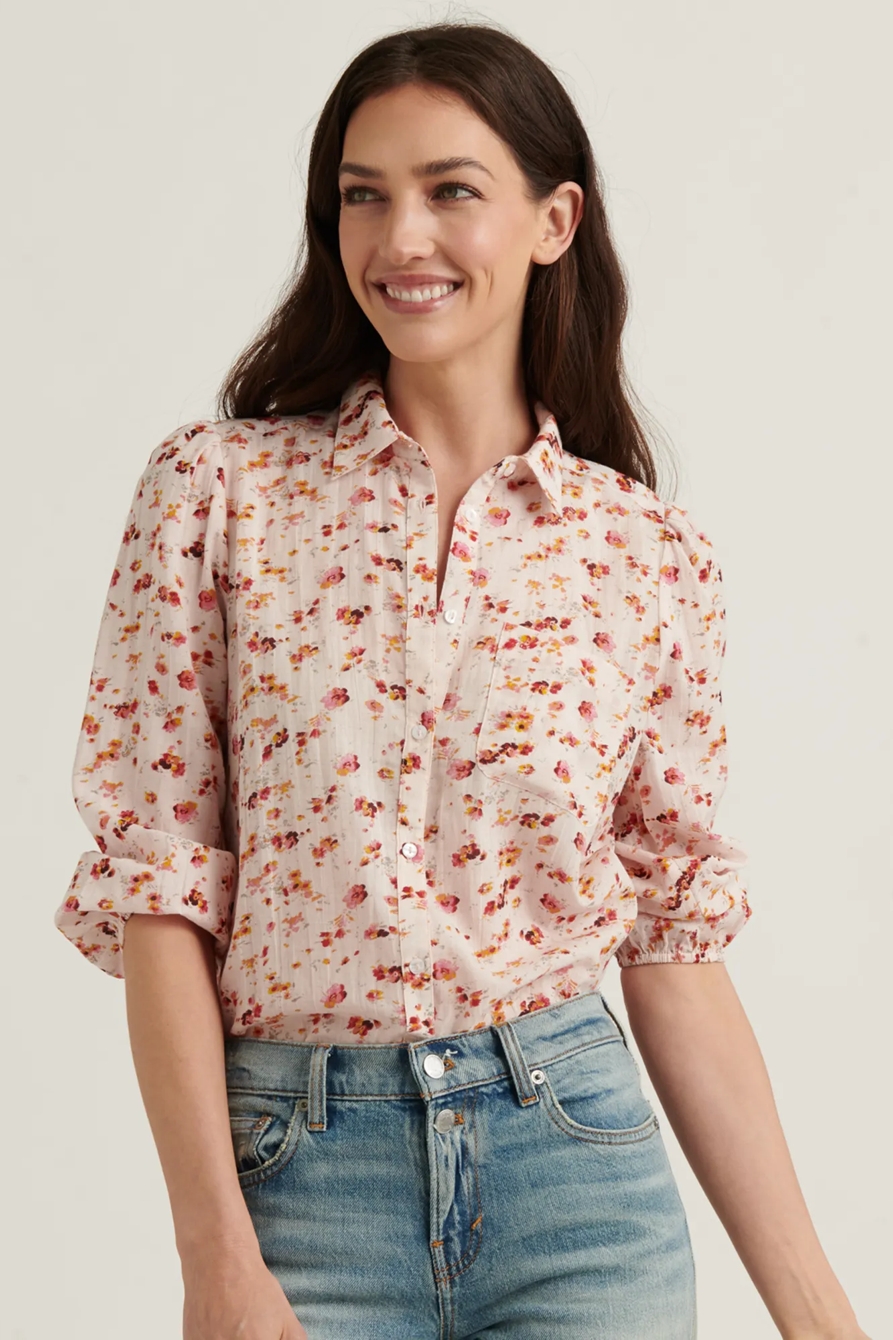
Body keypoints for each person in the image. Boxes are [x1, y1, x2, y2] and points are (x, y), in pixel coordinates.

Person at [54, 19, 870, 1340]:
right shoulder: (218, 494)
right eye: (362, 196)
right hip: (299, 1186)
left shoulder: (646, 554)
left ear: (553, 222)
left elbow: (671, 948)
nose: (401, 239)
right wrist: (216, 1259)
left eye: (450, 190)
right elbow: (161, 892)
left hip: (579, 1182)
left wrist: (818, 1313)